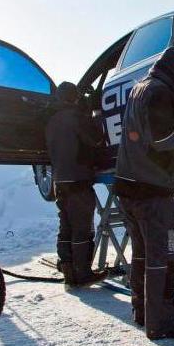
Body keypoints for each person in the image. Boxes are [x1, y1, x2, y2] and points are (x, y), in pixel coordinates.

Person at [115, 47, 174, 340]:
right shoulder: (160, 92)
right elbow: (163, 140)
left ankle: (142, 312)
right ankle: (161, 324)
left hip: (130, 187)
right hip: (151, 191)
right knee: (163, 257)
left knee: (142, 254)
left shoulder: (140, 87)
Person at [46, 81, 107, 287]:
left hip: (60, 180)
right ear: (75, 97)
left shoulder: (52, 121)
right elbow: (96, 139)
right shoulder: (77, 118)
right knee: (82, 228)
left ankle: (67, 268)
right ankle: (82, 274)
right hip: (79, 179)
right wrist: (95, 114)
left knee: (66, 227)